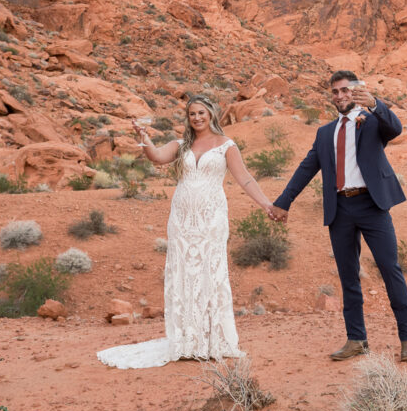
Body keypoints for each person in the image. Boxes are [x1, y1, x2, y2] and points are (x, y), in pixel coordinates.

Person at [97, 94, 276, 369]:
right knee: (184, 274)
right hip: (181, 220)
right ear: (188, 117)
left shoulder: (227, 145)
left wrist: (266, 204)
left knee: (210, 272)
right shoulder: (181, 145)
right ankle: (187, 341)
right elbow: (156, 158)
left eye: (202, 113)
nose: (197, 118)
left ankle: (212, 340)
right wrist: (144, 137)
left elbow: (245, 178)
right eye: (192, 113)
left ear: (211, 114)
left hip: (211, 219)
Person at [269, 71, 407, 362]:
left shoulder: (373, 121)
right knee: (348, 277)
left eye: (345, 90)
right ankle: (356, 339)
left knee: (390, 269)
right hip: (340, 209)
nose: (339, 96)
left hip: (372, 206)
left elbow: (396, 128)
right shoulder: (325, 133)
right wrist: (283, 202)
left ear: (355, 92)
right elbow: (306, 168)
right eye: (335, 92)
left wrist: (375, 103)